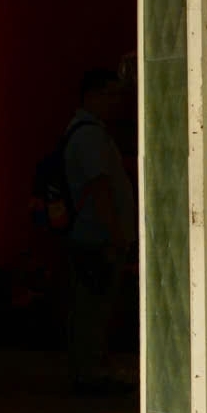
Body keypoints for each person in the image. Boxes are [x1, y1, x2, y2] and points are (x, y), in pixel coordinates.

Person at [61, 67, 137, 393]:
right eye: (111, 94)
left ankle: (89, 369)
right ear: (92, 96)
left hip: (92, 235)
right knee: (94, 308)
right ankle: (90, 372)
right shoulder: (90, 136)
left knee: (92, 306)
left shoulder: (85, 132)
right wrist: (115, 233)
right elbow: (100, 187)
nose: (117, 102)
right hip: (96, 238)